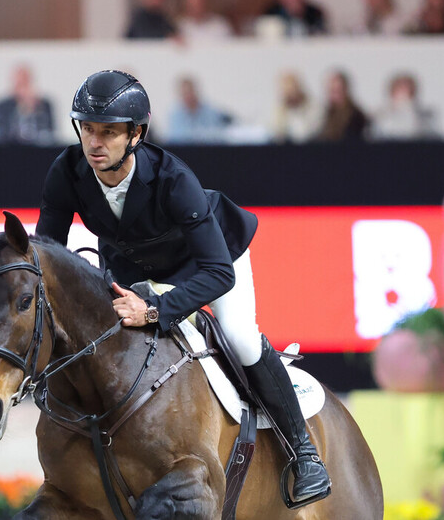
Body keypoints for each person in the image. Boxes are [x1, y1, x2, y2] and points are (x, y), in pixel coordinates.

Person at [36, 70, 332, 508]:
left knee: (240, 337)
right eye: (88, 130)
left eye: (109, 133)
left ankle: (303, 453)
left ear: (136, 134)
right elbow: (49, 258)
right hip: (133, 265)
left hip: (209, 260)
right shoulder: (68, 172)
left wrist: (155, 310)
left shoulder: (174, 180)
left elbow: (218, 274)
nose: (95, 143)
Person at [0, 65, 55, 145]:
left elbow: (49, 134)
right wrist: (21, 109)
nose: (23, 89)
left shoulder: (44, 105)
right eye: (19, 84)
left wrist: (34, 108)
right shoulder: (2, 106)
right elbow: (2, 135)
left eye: (25, 83)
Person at [163, 76, 230, 145]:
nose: (188, 96)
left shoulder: (211, 111)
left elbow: (217, 134)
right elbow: (176, 137)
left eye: (190, 92)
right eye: (185, 93)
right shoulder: (175, 114)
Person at [369, 73, 435, 141]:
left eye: (406, 89)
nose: (403, 93)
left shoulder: (425, 114)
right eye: (400, 88)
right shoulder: (379, 112)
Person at [271, 71, 321, 144]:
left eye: (291, 90)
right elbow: (276, 131)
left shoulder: (313, 106)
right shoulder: (280, 108)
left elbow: (304, 134)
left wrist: (295, 111)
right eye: (285, 91)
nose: (289, 96)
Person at [318, 70, 368, 142]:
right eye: (332, 91)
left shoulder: (356, 116)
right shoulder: (325, 114)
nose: (335, 96)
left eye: (338, 91)